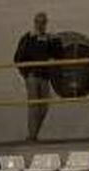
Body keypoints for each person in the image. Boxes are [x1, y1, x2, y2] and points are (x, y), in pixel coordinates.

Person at [14, 12, 60, 141]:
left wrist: (54, 40)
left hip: (45, 77)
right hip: (32, 76)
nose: (40, 25)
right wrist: (26, 73)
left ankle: (33, 134)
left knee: (44, 106)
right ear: (34, 23)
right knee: (34, 106)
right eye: (38, 22)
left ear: (46, 24)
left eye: (43, 22)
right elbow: (18, 57)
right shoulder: (27, 38)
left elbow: (58, 55)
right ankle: (32, 136)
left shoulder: (49, 39)